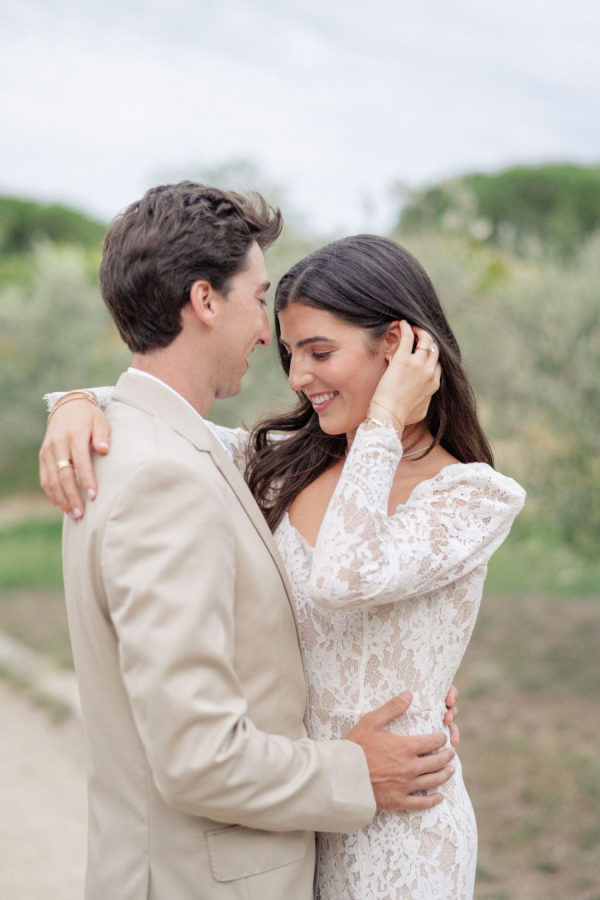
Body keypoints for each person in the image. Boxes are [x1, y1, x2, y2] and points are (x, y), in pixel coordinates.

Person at [39, 183, 462, 900]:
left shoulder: (139, 445)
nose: (267, 335)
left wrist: (77, 400)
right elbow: (198, 757)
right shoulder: (162, 480)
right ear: (205, 301)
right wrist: (359, 772)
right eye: (257, 296)